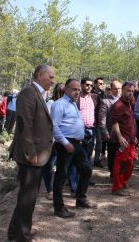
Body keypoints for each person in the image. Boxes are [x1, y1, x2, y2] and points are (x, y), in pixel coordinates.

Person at [8, 64, 55, 242]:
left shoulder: (38, 94)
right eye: (50, 77)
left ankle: (16, 233)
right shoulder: (28, 93)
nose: (52, 80)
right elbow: (24, 125)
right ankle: (21, 236)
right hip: (31, 156)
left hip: (37, 155)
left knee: (27, 198)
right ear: (40, 75)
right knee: (27, 199)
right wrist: (31, 153)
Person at [51, 78, 95, 219]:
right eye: (75, 89)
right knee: (61, 175)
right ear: (66, 89)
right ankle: (59, 208)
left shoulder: (73, 104)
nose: (78, 92)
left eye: (78, 90)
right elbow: (54, 126)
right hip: (66, 144)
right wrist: (65, 143)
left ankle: (81, 199)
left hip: (77, 144)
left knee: (86, 169)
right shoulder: (59, 104)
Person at [111, 81, 136, 196]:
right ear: (123, 90)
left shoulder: (130, 102)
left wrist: (134, 136)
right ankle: (116, 187)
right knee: (119, 163)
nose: (130, 93)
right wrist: (120, 137)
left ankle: (122, 181)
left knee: (130, 162)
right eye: (128, 91)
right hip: (123, 141)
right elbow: (114, 123)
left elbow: (131, 121)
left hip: (131, 140)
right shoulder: (118, 105)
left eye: (132, 91)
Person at [42, 83, 65, 200]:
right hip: (51, 140)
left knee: (59, 165)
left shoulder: (67, 104)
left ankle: (57, 188)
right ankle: (49, 189)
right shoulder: (50, 103)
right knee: (49, 165)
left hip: (63, 139)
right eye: (62, 92)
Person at [77, 77, 98, 187]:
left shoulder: (94, 97)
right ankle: (74, 180)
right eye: (87, 85)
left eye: (91, 85)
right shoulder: (77, 97)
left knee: (88, 155)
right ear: (81, 85)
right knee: (78, 155)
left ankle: (85, 178)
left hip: (91, 130)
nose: (89, 87)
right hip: (79, 130)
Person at [98, 80, 122, 179]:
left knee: (122, 156)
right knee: (112, 156)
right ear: (111, 89)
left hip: (124, 134)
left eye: (119, 88)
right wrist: (104, 132)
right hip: (111, 134)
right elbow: (101, 118)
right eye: (115, 88)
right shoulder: (105, 101)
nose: (117, 90)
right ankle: (113, 175)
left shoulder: (125, 100)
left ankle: (120, 176)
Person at [92, 77, 107, 167]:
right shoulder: (91, 94)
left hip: (99, 120)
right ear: (95, 84)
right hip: (91, 120)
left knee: (99, 141)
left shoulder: (103, 94)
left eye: (102, 83)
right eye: (100, 83)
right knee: (89, 141)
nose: (102, 85)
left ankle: (96, 159)